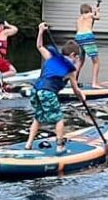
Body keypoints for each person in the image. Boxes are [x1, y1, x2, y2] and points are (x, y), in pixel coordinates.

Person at [25, 22, 82, 154]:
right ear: (73, 55)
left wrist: (40, 31)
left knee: (38, 117)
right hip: (47, 92)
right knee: (59, 118)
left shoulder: (51, 57)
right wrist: (82, 97)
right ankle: (59, 146)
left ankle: (28, 144)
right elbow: (76, 89)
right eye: (77, 58)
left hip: (35, 90)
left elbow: (39, 46)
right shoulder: (71, 70)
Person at [76, 1, 104, 86]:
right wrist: (98, 11)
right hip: (87, 37)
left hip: (78, 38)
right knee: (96, 62)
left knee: (80, 61)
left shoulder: (79, 19)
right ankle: (94, 83)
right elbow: (98, 17)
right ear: (89, 10)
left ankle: (74, 81)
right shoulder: (90, 15)